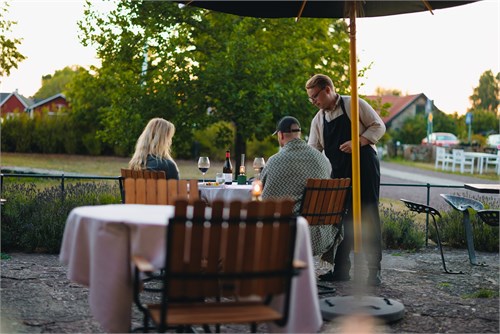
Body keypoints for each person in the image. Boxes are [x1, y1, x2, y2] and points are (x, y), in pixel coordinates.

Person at [305, 74, 386, 286]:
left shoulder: (354, 103)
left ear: (328, 89)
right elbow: (313, 151)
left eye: (315, 97)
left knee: (368, 214)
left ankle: (373, 271)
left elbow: (379, 126)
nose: (313, 102)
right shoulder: (318, 120)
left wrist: (358, 141)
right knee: (340, 219)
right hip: (339, 172)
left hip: (365, 167)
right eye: (311, 99)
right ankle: (341, 269)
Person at [261, 116, 342, 262]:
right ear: (299, 133)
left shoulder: (275, 161)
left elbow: (267, 201)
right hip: (321, 231)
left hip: (289, 232)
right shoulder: (321, 159)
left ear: (280, 135)